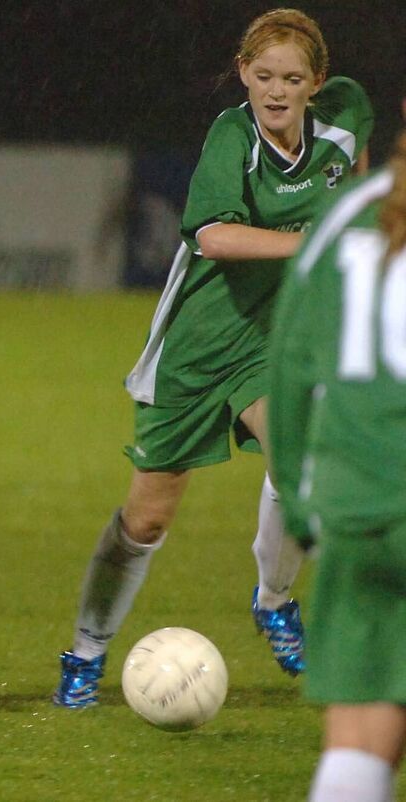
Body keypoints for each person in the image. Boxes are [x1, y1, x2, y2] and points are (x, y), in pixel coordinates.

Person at [52, 7, 374, 708]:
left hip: (277, 341)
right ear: (243, 75)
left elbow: (357, 173)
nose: (277, 90)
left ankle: (274, 600)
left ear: (318, 81)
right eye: (263, 76)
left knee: (304, 459)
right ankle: (85, 651)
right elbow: (216, 238)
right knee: (148, 517)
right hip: (198, 346)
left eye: (293, 77)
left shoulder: (347, 114)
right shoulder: (234, 136)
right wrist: (318, 245)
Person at [271, 124, 406, 801]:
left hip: (357, 512)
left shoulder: (344, 213)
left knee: (358, 738)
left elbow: (290, 367)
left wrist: (303, 509)